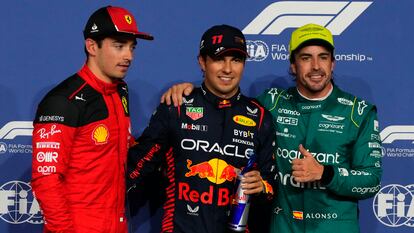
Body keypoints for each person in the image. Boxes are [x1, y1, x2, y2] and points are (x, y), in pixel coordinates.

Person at [161, 23, 383, 233]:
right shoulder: (271, 103)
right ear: (293, 65)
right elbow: (226, 103)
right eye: (306, 58)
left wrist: (325, 173)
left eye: (323, 57)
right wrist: (191, 92)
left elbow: (371, 181)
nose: (316, 66)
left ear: (333, 63)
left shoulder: (359, 112)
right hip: (282, 227)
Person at [127, 24, 276, 233]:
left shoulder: (261, 117)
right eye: (219, 59)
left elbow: (272, 187)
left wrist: (262, 186)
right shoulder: (176, 107)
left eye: (236, 60)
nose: (228, 69)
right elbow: (137, 168)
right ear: (202, 62)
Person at [31, 5, 153, 233]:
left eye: (132, 47)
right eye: (119, 46)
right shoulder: (63, 100)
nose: (129, 56)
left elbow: (120, 149)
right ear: (91, 46)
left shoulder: (120, 91)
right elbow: (46, 180)